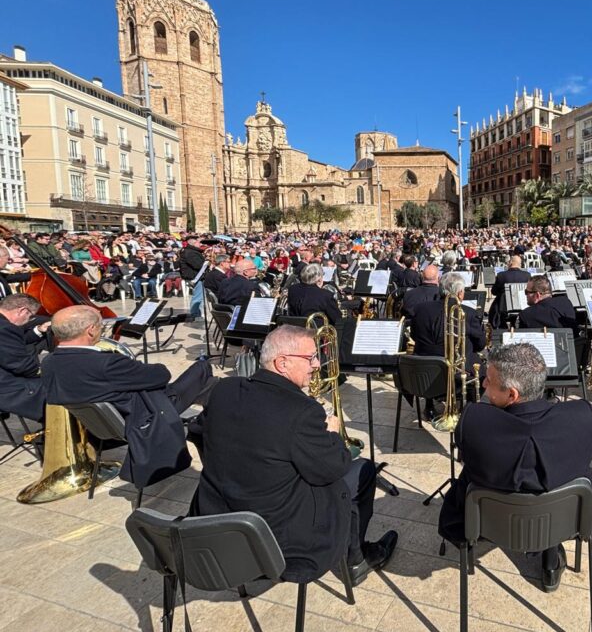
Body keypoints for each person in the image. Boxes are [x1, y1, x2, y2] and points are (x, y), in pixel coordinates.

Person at [190, 325, 397, 584]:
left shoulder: (224, 390)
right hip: (276, 541)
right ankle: (356, 559)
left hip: (215, 525)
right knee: (362, 471)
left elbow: (200, 432)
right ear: (282, 363)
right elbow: (334, 467)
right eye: (310, 357)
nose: (317, 363)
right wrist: (332, 434)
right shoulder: (303, 412)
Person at [437, 342, 592, 592]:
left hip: (484, 524)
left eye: (489, 381)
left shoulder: (474, 422)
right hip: (570, 519)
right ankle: (551, 558)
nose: (483, 384)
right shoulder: (582, 417)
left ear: (512, 395)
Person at [42, 305, 213, 418]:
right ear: (91, 331)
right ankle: (208, 422)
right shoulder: (107, 363)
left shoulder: (48, 361)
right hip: (140, 415)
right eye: (100, 326)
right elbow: (162, 376)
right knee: (202, 368)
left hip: (96, 422)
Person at [0, 294, 50, 421]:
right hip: (5, 386)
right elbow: (20, 365)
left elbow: (9, 345)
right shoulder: (5, 328)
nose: (28, 320)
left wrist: (38, 330)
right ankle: (55, 432)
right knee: (56, 389)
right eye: (30, 315)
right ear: (22, 311)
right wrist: (45, 371)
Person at [179, 235, 206, 321]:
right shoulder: (190, 252)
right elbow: (198, 265)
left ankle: (197, 314)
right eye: (198, 242)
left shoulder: (192, 251)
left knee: (200, 296)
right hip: (194, 277)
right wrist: (206, 262)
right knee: (197, 296)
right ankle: (195, 315)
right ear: (194, 243)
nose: (200, 244)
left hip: (196, 276)